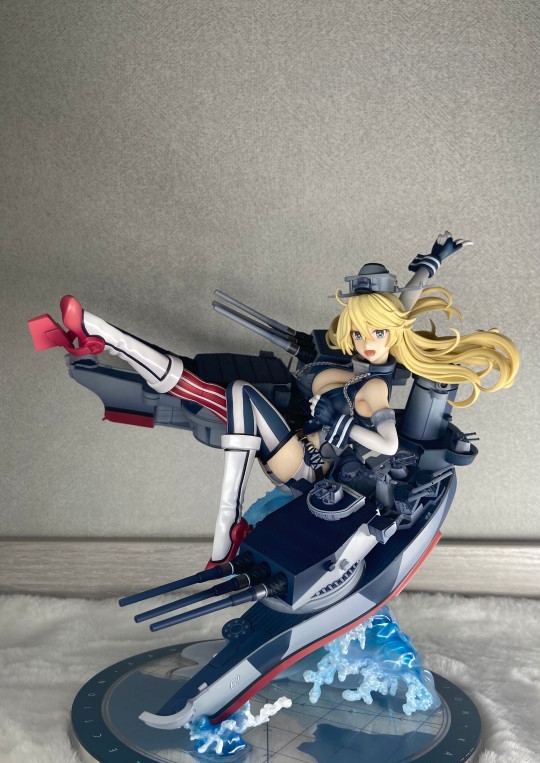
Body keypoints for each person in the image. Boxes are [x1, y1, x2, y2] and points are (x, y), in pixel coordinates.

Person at [32, 233, 518, 565]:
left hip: (307, 467)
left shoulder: (373, 388)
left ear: (393, 334)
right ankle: (98, 332)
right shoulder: (358, 361)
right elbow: (402, 305)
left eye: (378, 333)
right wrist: (432, 261)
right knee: (217, 388)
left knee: (230, 395)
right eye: (361, 331)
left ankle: (224, 533)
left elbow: (389, 445)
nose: (369, 341)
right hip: (293, 441)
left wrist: (348, 428)